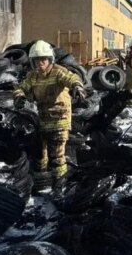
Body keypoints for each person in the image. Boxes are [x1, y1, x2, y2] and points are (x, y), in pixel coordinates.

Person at [14, 40, 87, 180]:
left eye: (43, 59)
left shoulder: (59, 72)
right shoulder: (32, 76)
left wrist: (78, 88)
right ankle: (43, 182)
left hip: (59, 121)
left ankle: (60, 183)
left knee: (57, 157)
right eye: (36, 60)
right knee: (41, 155)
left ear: (50, 59)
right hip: (43, 120)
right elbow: (20, 88)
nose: (40, 63)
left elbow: (72, 78)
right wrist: (19, 96)